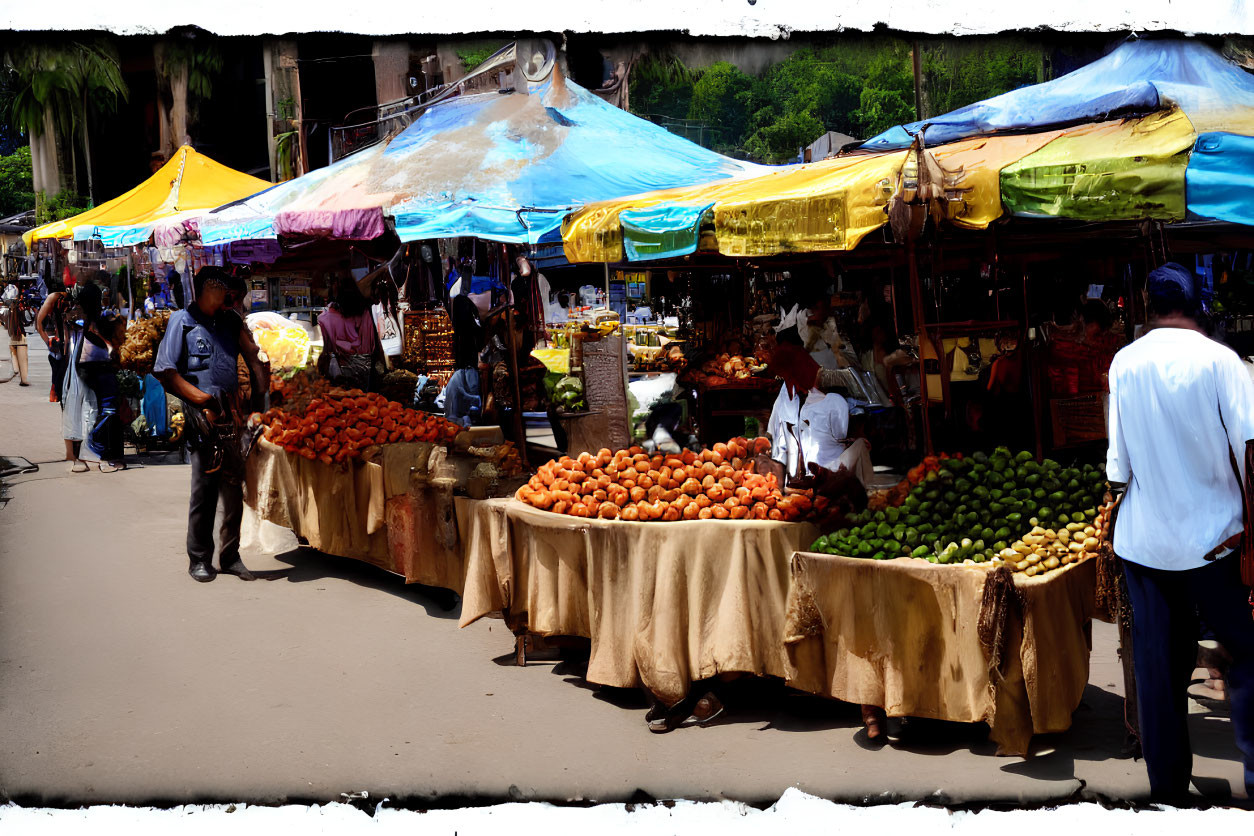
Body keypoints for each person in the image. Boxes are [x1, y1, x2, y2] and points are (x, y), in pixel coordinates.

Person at [1106, 262, 1254, 802]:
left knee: (1159, 672)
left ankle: (1167, 793)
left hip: (1146, 544)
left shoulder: (1124, 362)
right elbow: (1250, 449)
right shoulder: (1222, 362)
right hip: (1218, 542)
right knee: (1245, 657)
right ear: (1198, 306)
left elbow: (1117, 469)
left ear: (1149, 307)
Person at [154, 266, 270, 583]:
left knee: (234, 491)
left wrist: (260, 394)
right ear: (208, 288)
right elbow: (167, 372)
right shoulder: (183, 320)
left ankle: (230, 556)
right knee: (204, 491)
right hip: (201, 417)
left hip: (232, 415)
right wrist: (202, 401)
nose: (229, 296)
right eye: (225, 290)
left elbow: (254, 355)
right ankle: (199, 558)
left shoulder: (230, 321)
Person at [74, 280, 127, 472]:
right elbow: (95, 334)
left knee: (105, 409)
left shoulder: (87, 316)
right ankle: (99, 451)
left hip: (89, 365)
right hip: (97, 365)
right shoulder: (93, 318)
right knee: (109, 409)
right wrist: (111, 347)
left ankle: (103, 453)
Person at [316, 276, 380, 391]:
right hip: (365, 366)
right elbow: (371, 343)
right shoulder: (365, 312)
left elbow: (325, 348)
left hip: (340, 369)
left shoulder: (325, 318)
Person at [2, 282, 29, 386]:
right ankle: (22, 377)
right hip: (18, 336)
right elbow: (26, 320)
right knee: (21, 358)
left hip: (15, 336)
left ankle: (19, 374)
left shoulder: (8, 311)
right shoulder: (18, 308)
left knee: (16, 355)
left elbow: (6, 324)